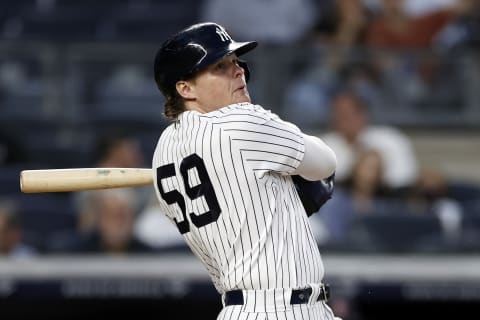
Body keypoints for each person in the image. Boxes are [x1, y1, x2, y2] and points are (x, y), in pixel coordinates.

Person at [151, 22, 339, 320]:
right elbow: (326, 163)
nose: (238, 71)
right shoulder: (238, 121)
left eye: (235, 62)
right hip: (282, 309)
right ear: (184, 88)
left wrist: (286, 194)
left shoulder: (163, 151)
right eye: (219, 66)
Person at [320, 89, 418, 191]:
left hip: (390, 199)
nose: (345, 120)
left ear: (363, 114)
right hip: (340, 199)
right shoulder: (325, 144)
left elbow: (406, 178)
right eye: (339, 114)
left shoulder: (391, 138)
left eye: (350, 114)